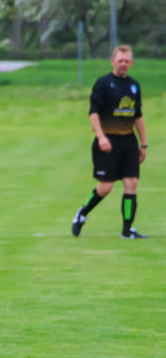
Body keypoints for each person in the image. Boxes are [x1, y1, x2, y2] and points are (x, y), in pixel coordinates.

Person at [71, 44, 148, 239]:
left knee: (132, 183)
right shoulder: (104, 83)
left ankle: (127, 230)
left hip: (128, 142)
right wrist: (101, 136)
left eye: (126, 61)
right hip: (108, 141)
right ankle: (83, 213)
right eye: (120, 60)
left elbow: (138, 116)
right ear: (112, 61)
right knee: (106, 187)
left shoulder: (134, 85)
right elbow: (93, 112)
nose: (123, 64)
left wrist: (144, 143)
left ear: (131, 63)